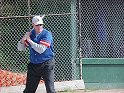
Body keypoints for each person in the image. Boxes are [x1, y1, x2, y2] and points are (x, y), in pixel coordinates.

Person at [17, 16, 56, 93]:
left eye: (41, 24)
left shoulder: (47, 34)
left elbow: (41, 49)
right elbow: (20, 48)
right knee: (28, 90)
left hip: (46, 64)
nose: (39, 27)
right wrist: (23, 39)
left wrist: (29, 40)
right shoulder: (31, 34)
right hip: (34, 65)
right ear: (33, 25)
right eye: (37, 25)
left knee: (50, 90)